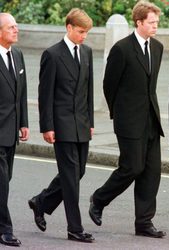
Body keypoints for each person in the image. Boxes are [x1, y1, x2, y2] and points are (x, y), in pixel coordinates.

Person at [88, 1, 165, 238]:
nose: (155, 26)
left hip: (151, 118)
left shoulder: (158, 47)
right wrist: (118, 113)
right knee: (132, 167)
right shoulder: (121, 49)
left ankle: (144, 222)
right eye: (151, 22)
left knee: (152, 172)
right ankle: (99, 199)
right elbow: (108, 85)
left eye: (157, 22)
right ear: (139, 22)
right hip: (128, 121)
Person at [28, 8, 94, 243]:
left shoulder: (87, 52)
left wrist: (91, 123)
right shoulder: (52, 54)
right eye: (80, 31)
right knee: (69, 177)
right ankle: (74, 229)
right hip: (61, 124)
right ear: (68, 28)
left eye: (86, 32)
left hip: (82, 124)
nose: (84, 36)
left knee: (79, 172)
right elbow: (44, 95)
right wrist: (46, 126)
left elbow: (88, 90)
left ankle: (41, 201)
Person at [0, 13, 29, 247]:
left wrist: (24, 122)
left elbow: (22, 94)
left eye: (16, 26)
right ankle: (5, 229)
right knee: (1, 181)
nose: (16, 30)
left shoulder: (17, 55)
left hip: (11, 131)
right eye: (11, 27)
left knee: (5, 179)